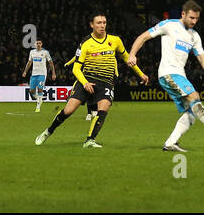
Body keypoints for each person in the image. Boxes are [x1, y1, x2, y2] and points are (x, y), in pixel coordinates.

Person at [125, 0, 204, 153]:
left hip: (180, 75)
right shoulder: (168, 25)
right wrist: (132, 54)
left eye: (197, 19)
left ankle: (170, 144)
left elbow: (203, 59)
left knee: (191, 112)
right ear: (183, 14)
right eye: (191, 18)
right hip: (168, 73)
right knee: (194, 96)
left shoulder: (194, 36)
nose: (194, 21)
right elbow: (143, 37)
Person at [35, 14, 148, 149]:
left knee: (104, 108)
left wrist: (141, 74)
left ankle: (90, 140)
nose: (102, 25)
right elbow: (76, 68)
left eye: (104, 22)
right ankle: (49, 131)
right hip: (87, 79)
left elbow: (126, 57)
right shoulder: (85, 43)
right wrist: (85, 83)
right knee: (69, 111)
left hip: (106, 81)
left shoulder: (115, 40)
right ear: (92, 25)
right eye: (99, 23)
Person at [22, 39, 56, 112]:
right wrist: (25, 71)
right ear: (35, 44)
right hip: (34, 74)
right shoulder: (32, 52)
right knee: (31, 91)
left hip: (42, 74)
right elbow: (29, 62)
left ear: (42, 44)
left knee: (40, 88)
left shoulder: (45, 52)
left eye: (40, 43)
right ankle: (39, 99)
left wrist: (53, 73)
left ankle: (38, 106)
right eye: (37, 43)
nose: (38, 44)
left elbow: (51, 63)